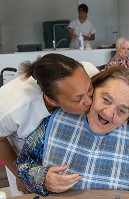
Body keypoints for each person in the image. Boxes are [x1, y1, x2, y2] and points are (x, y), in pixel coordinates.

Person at [15, 66, 129, 198]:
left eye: (122, 110)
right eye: (106, 100)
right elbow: (23, 165)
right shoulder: (56, 118)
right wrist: (42, 178)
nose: (108, 113)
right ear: (92, 91)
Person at [0, 53, 99, 196]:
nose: (89, 102)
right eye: (78, 100)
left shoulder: (87, 73)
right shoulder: (12, 107)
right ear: (51, 101)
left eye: (90, 90)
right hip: (25, 159)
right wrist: (20, 175)